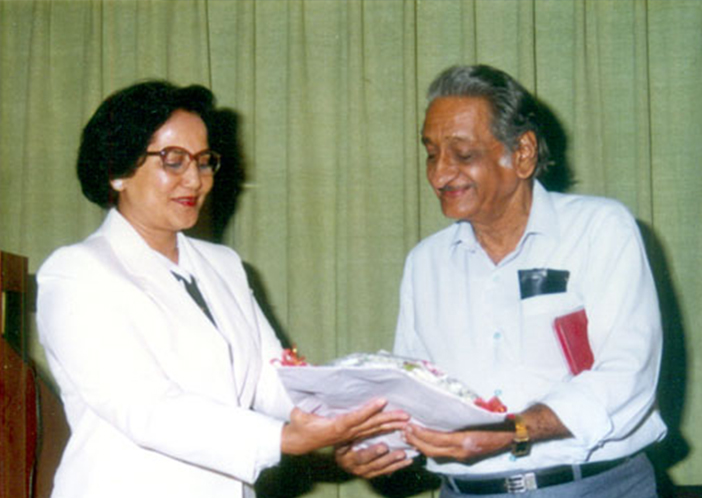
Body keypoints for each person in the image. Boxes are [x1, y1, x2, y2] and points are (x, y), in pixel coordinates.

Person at [36, 81, 408, 498]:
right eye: (174, 161)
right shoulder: (77, 273)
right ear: (118, 171)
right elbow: (145, 408)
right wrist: (283, 439)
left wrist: (354, 429)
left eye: (203, 161)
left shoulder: (224, 265)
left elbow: (273, 381)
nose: (194, 180)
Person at [336, 65, 667, 497]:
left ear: (523, 153)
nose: (439, 175)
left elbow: (627, 376)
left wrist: (513, 431)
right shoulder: (425, 263)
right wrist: (368, 445)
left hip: (592, 487)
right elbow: (416, 396)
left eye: (462, 155)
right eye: (431, 154)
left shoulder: (599, 230)